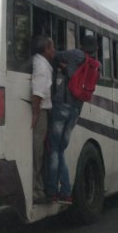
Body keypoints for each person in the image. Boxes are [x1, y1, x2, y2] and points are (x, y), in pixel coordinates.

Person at [45, 35, 98, 204]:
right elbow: (75, 76)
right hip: (76, 110)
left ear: (82, 45)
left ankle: (53, 190)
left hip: (62, 105)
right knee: (60, 150)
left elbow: (54, 55)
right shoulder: (97, 66)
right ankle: (66, 192)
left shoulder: (76, 54)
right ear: (95, 49)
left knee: (54, 149)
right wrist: (66, 69)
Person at [30, 35, 55, 204]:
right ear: (46, 49)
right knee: (37, 152)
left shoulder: (41, 63)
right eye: (52, 47)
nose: (54, 51)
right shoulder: (41, 66)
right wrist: (36, 113)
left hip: (41, 111)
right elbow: (38, 93)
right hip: (41, 112)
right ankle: (36, 190)